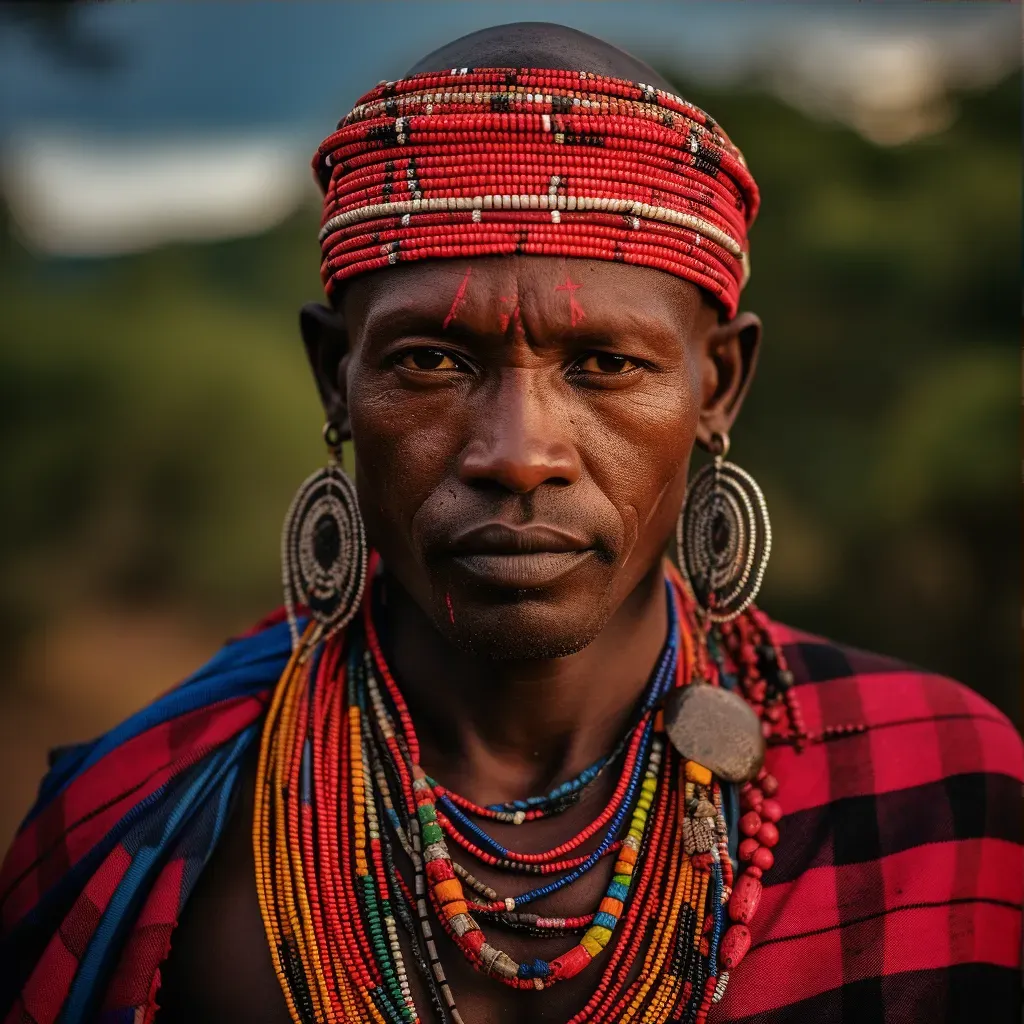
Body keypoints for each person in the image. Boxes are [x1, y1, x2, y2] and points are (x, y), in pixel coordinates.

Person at [2, 22, 1020, 1024]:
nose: (521, 452)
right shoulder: (141, 817)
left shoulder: (941, 789)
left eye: (606, 364)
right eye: (431, 362)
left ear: (719, 384)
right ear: (336, 379)